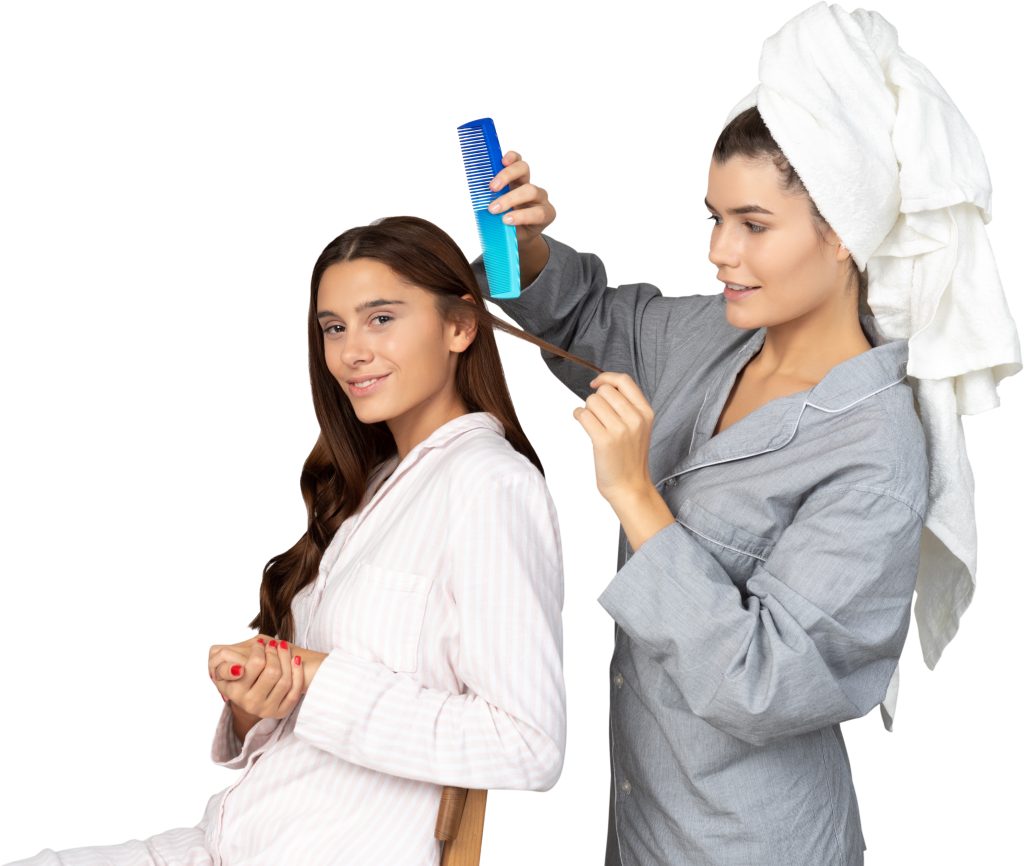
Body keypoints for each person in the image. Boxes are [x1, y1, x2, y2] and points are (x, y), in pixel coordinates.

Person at [470, 5, 1020, 864]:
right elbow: (588, 319)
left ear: (843, 233)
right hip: (643, 827)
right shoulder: (705, 335)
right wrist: (528, 252)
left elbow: (765, 681)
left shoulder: (874, 456)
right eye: (714, 218)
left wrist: (637, 499)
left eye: (753, 225)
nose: (721, 251)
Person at [7, 215, 599, 866]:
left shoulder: (489, 486)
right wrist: (254, 702)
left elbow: (525, 744)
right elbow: (310, 729)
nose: (352, 352)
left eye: (381, 319)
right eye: (333, 327)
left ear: (460, 326)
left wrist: (318, 678)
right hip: (228, 843)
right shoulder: (368, 490)